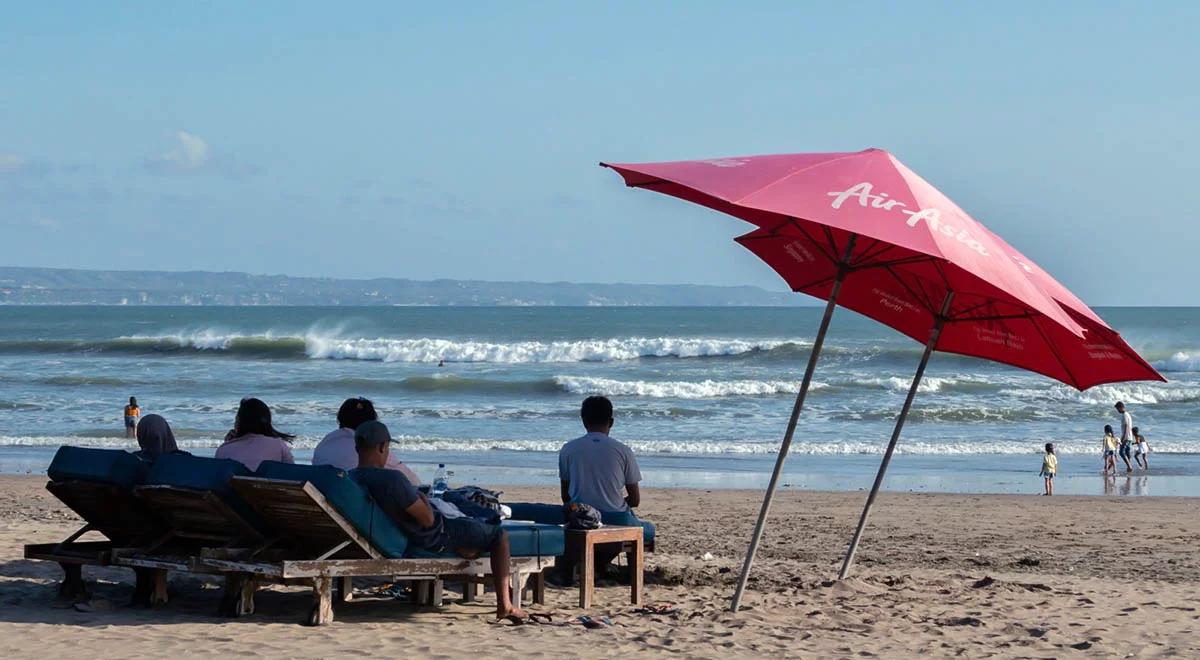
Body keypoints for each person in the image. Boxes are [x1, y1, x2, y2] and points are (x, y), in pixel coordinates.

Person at [350, 420, 526, 622]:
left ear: (357, 447)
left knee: (461, 512)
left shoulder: (352, 477)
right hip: (436, 535)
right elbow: (427, 519)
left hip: (403, 533)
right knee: (499, 535)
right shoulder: (392, 480)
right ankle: (505, 605)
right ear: (382, 447)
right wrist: (423, 499)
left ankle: (467, 547)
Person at [312, 397, 421, 485]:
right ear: (371, 424)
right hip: (355, 505)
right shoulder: (370, 448)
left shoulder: (326, 442)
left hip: (325, 498)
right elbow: (413, 481)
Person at [214, 397, 295, 471]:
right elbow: (291, 474)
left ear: (239, 421)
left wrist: (229, 444)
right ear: (267, 422)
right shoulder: (278, 445)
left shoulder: (223, 450)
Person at [1115, 402, 1135, 473]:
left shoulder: (1124, 415)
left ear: (1121, 407)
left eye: (1117, 409)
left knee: (1121, 452)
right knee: (1127, 452)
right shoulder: (1128, 414)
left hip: (1126, 437)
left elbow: (1126, 426)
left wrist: (1123, 438)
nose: (1117, 411)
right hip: (1130, 437)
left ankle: (1129, 466)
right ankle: (1129, 467)